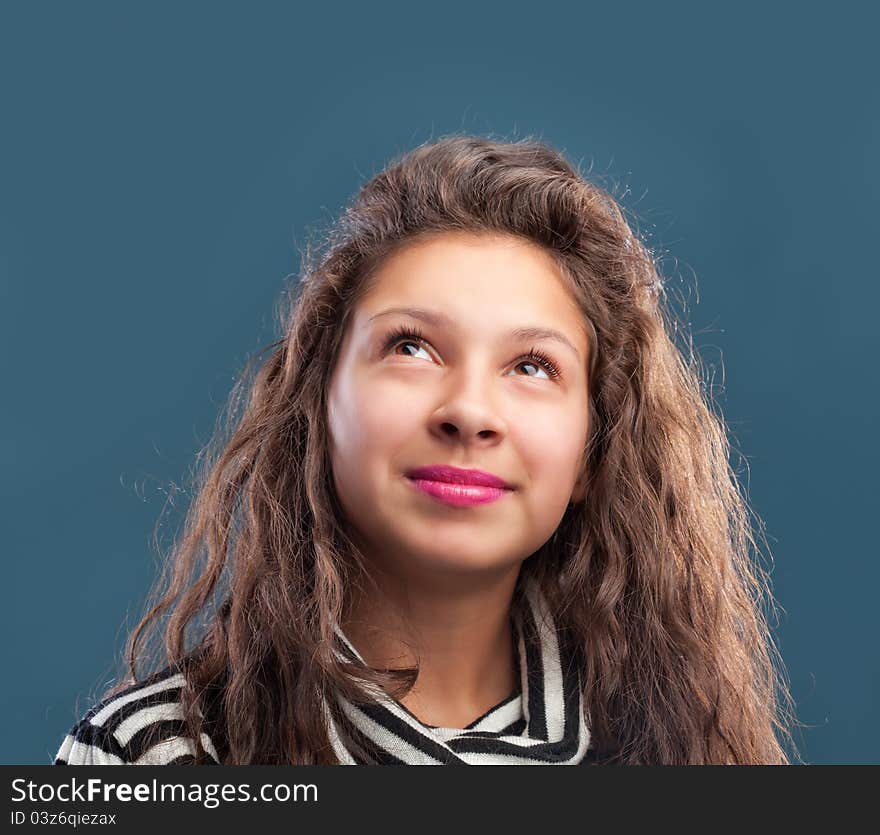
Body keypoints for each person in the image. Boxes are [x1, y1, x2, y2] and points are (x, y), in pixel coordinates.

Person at [54, 135, 797, 766]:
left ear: (594, 451)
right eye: (412, 346)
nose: (470, 411)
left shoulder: (687, 753)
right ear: (317, 401)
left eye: (532, 365)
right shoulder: (144, 759)